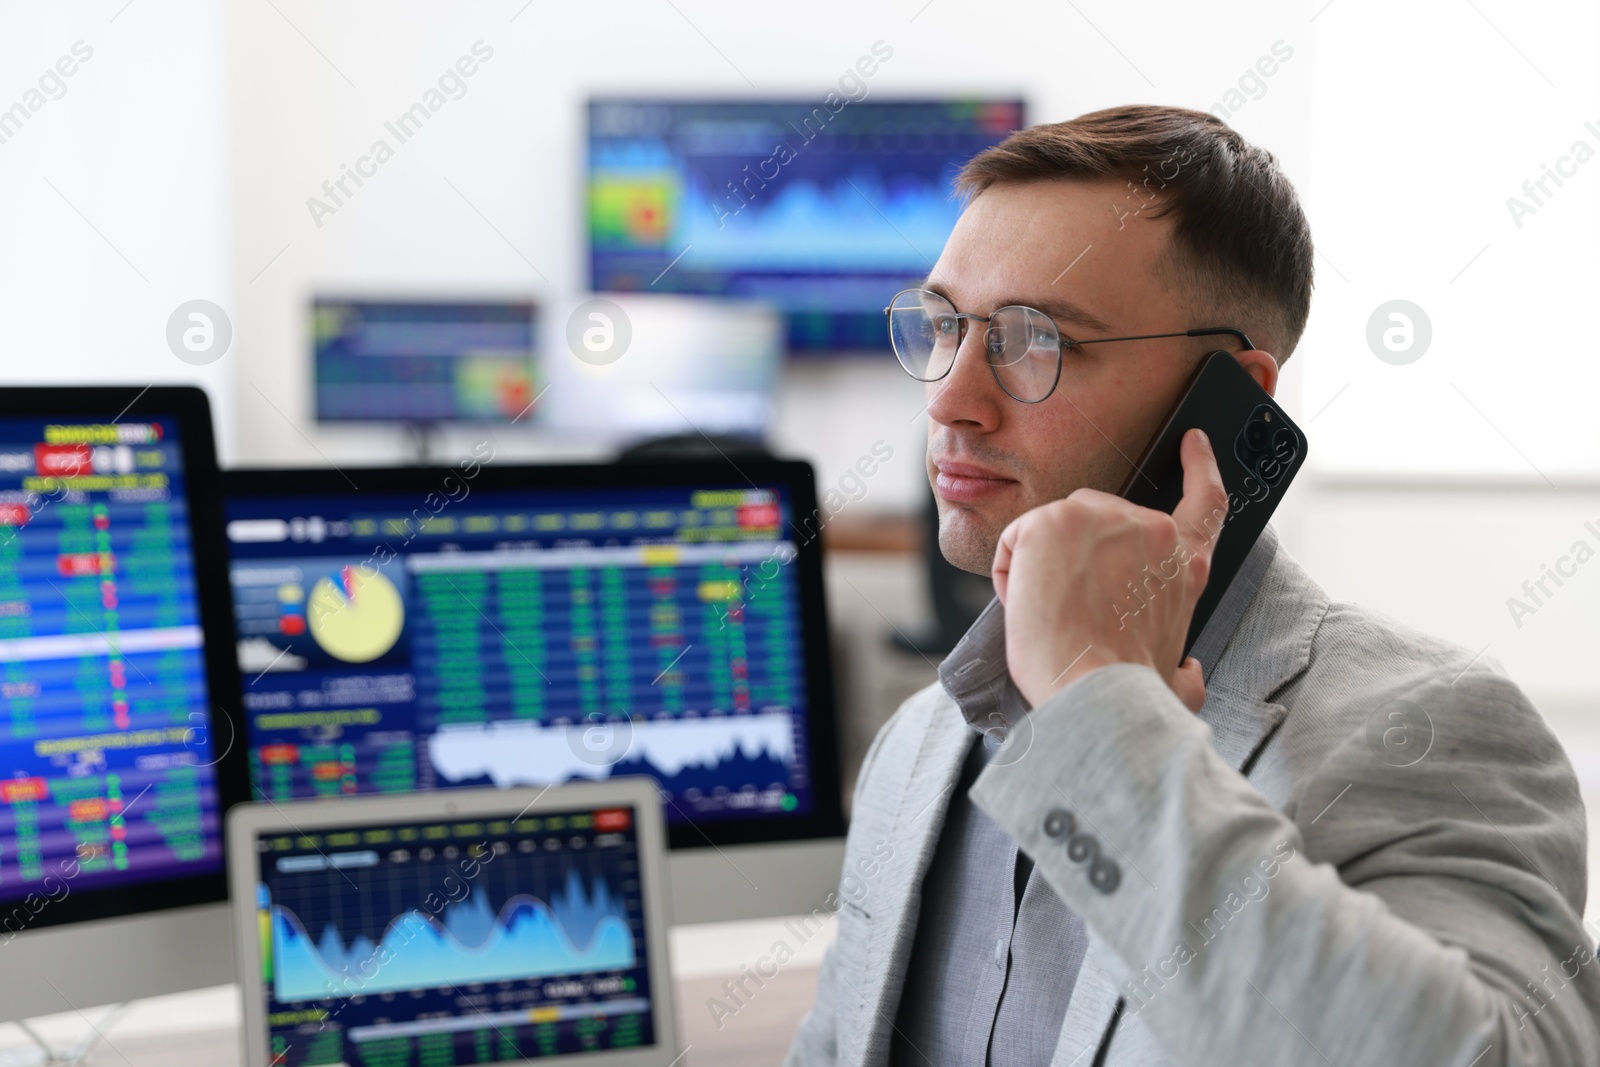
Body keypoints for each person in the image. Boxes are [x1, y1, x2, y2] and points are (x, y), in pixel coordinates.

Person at [784, 105, 1600, 1067]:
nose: (951, 399)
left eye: (1032, 339)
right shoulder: (919, 743)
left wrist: (1102, 718)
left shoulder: (1430, 726)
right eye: (945, 326)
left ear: (1228, 398)